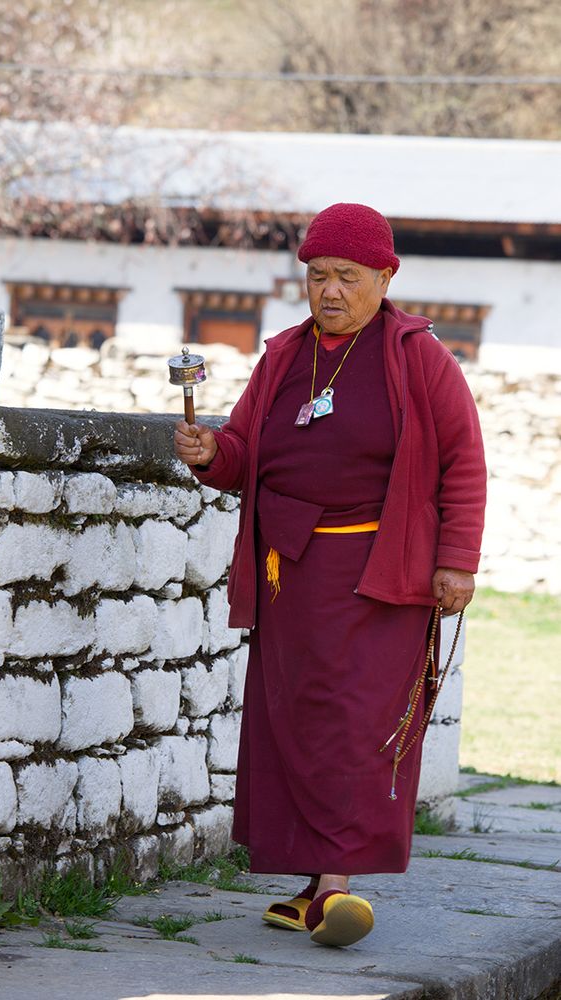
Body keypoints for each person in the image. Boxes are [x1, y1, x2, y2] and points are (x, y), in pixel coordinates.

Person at [174, 202, 487, 949]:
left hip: (381, 571)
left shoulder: (416, 357)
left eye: (347, 276)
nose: (330, 291)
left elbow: (462, 464)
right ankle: (313, 886)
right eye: (317, 276)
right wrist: (211, 456)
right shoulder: (283, 355)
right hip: (289, 573)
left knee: (356, 721)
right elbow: (246, 453)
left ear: (385, 277)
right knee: (296, 719)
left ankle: (337, 885)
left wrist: (457, 562)